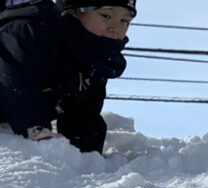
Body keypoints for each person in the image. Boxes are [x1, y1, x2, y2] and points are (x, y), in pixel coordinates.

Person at [0, 1, 132, 155]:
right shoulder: (32, 32)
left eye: (124, 20)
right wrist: (35, 128)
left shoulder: (93, 56)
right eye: (106, 15)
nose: (116, 28)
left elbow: (84, 113)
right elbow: (15, 80)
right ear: (75, 12)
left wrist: (87, 156)